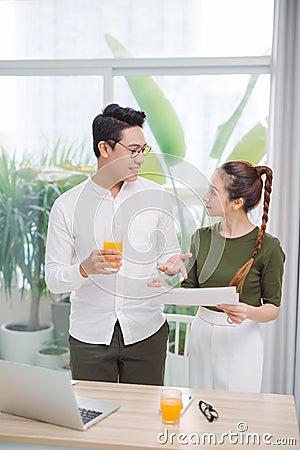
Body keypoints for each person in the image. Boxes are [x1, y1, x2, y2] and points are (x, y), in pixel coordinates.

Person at [45, 103, 191, 385]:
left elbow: (169, 254)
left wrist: (172, 265)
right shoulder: (67, 206)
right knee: (94, 417)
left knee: (143, 420)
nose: (140, 159)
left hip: (146, 332)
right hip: (90, 337)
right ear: (104, 148)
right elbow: (53, 280)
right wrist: (85, 268)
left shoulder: (156, 197)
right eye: (133, 150)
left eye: (143, 151)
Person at [155, 161, 285, 392]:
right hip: (201, 333)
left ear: (237, 202)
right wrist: (166, 286)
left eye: (213, 193)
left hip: (242, 339)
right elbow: (189, 292)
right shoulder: (201, 238)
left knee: (237, 411)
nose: (205, 198)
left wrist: (248, 312)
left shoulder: (269, 247)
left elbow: (273, 307)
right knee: (201, 408)